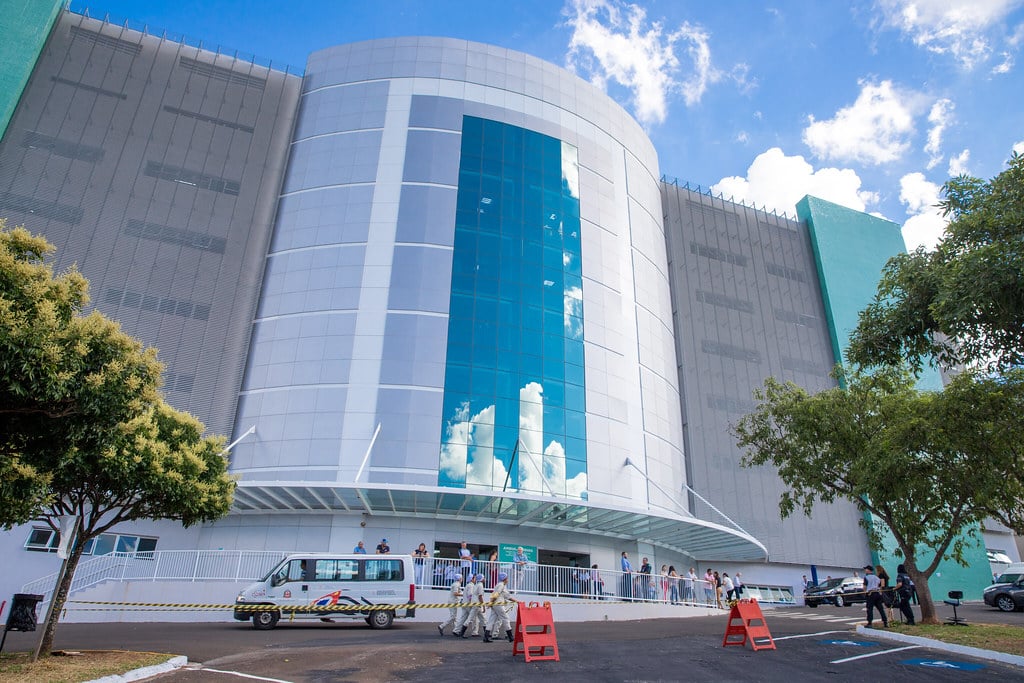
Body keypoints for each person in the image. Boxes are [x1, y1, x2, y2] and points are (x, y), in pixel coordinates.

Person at [484, 571, 518, 643]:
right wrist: (491, 602)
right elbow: (496, 594)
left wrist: (516, 601)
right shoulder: (501, 585)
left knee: (491, 620)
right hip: (498, 604)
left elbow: (507, 596)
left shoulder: (500, 585)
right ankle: (510, 636)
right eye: (507, 578)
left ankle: (486, 636)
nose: (508, 580)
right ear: (505, 579)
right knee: (506, 618)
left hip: (495, 604)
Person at [454, 573, 482, 638]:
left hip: (464, 603)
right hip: (468, 604)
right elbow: (470, 595)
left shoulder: (468, 585)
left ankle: (456, 630)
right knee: (474, 617)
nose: (475, 579)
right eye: (474, 578)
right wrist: (472, 603)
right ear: (472, 579)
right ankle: (474, 632)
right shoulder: (471, 586)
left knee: (463, 617)